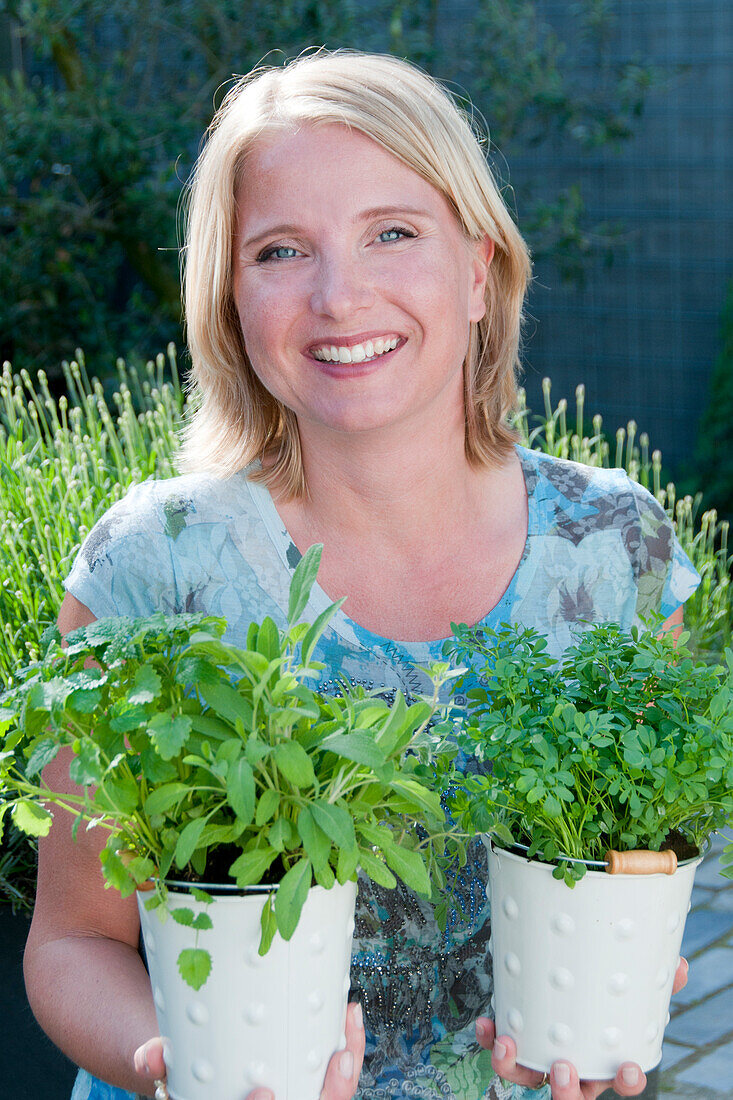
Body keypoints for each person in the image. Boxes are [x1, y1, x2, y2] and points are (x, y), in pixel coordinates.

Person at [25, 50, 700, 1100]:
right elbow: (71, 941)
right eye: (281, 249)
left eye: (393, 232)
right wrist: (174, 1068)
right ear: (229, 300)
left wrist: (616, 992)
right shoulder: (154, 565)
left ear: (478, 269)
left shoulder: (614, 545)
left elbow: (637, 867)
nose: (340, 295)